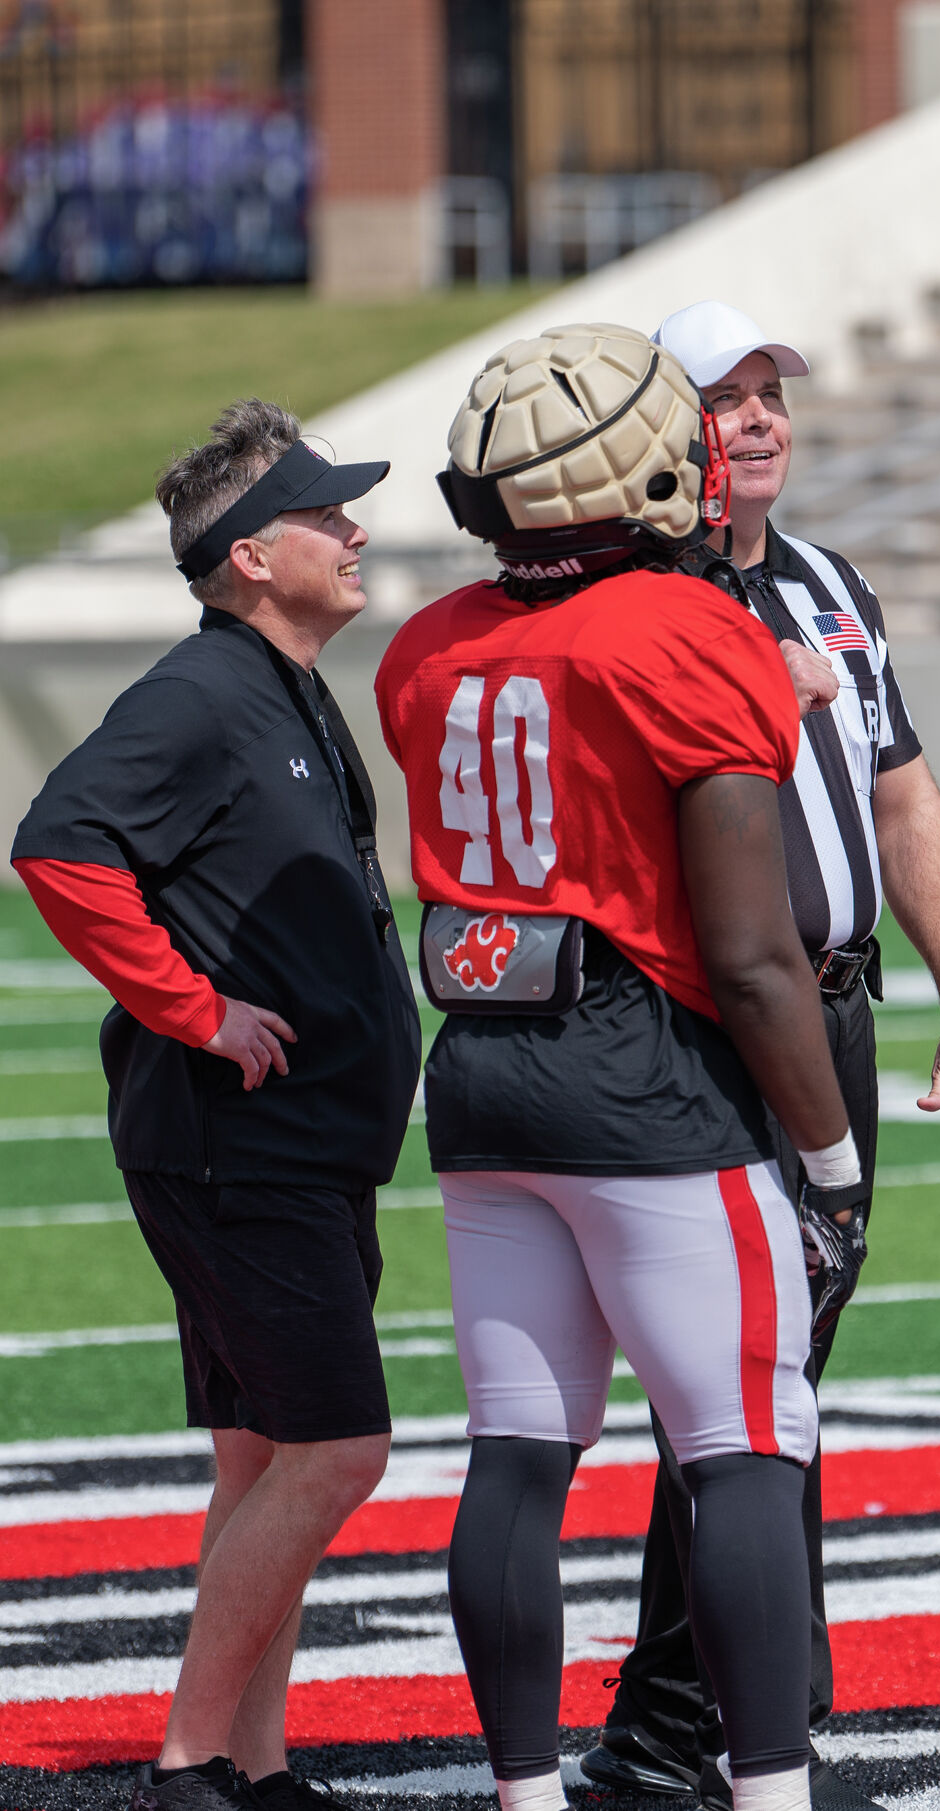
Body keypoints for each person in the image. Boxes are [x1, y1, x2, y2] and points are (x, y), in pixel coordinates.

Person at [378, 322, 859, 1811]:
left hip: (482, 1075)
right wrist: (831, 1159)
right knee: (745, 1450)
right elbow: (753, 953)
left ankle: (524, 1795)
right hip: (647, 1082)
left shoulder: (425, 643)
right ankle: (769, 1792)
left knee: (516, 1454)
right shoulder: (691, 632)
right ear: (648, 467)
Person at [576, 299, 940, 1811]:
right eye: (726, 396)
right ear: (666, 428)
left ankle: (700, 1724)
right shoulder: (638, 595)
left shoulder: (833, 583)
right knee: (741, 1380)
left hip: (833, 1005)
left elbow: (902, 798)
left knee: (781, 1373)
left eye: (773, 391)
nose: (760, 418)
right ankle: (702, 1731)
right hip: (701, 1019)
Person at [10, 401, 419, 1811]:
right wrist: (195, 1011)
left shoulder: (281, 683)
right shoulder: (201, 691)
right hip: (240, 1146)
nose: (354, 531)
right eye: (325, 513)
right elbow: (61, 848)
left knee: (264, 1457)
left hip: (299, 1144)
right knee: (339, 1449)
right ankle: (192, 1761)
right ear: (251, 556)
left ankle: (255, 1762)